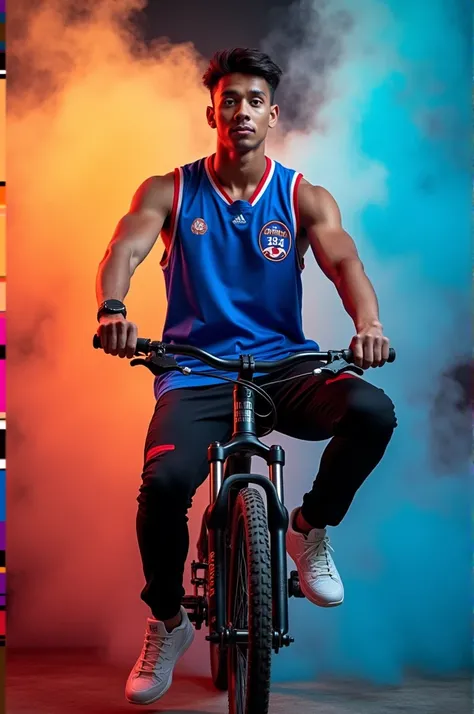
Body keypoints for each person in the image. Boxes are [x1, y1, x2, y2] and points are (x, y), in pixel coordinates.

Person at [95, 47, 397, 705]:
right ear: (213, 110)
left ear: (272, 113)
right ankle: (169, 620)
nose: (241, 111)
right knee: (166, 481)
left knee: (373, 412)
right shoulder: (169, 190)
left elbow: (345, 264)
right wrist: (114, 309)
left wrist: (368, 325)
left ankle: (307, 528)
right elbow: (125, 248)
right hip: (195, 371)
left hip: (284, 366)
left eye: (254, 100)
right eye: (230, 99)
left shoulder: (301, 194)